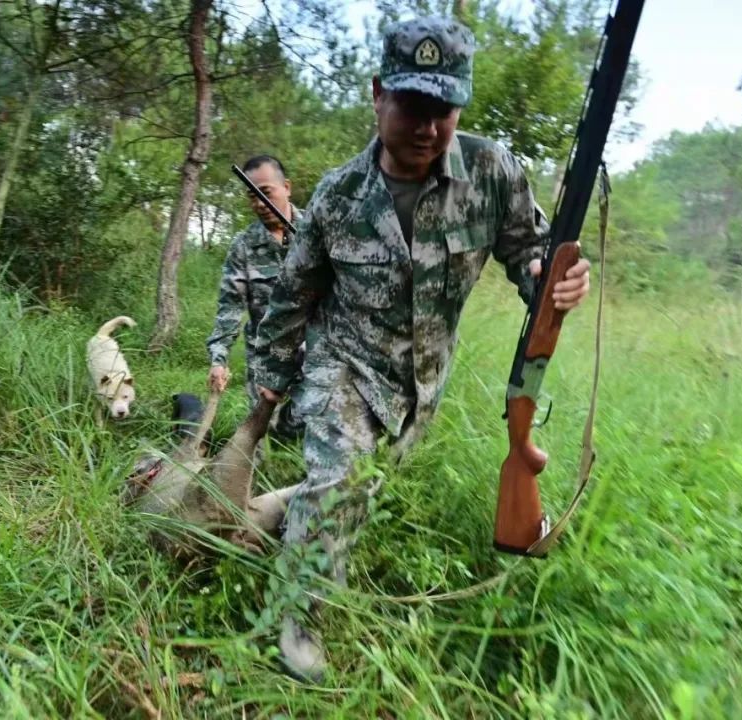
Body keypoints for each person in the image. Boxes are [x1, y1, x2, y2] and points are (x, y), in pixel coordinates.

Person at [252, 17, 592, 681]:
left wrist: (554, 281)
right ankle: (297, 618)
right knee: (343, 476)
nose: (428, 128)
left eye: (444, 110)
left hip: (420, 385)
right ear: (379, 94)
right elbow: (291, 297)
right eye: (412, 106)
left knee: (356, 485)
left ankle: (287, 509)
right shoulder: (336, 196)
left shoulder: (492, 172)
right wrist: (264, 386)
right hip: (342, 364)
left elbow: (529, 256)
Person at [205, 154, 309, 440]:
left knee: (310, 426)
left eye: (266, 193)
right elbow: (229, 306)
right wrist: (219, 359)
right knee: (262, 434)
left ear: (286, 187)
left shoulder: (316, 233)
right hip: (265, 355)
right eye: (252, 197)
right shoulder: (243, 246)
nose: (260, 205)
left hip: (315, 351)